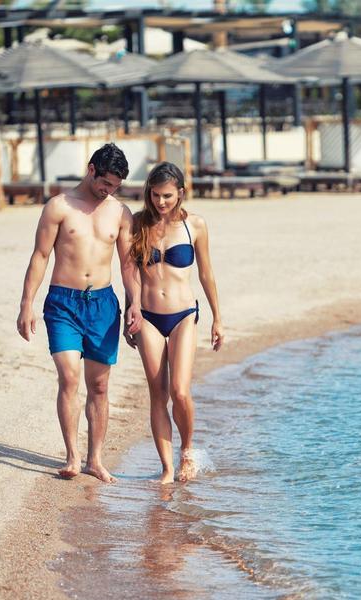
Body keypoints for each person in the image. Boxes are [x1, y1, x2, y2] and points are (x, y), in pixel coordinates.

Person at [17, 143, 142, 483]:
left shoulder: (120, 213)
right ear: (91, 169)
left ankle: (95, 459)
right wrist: (26, 304)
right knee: (70, 377)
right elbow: (40, 256)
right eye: (105, 183)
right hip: (63, 304)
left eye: (115, 186)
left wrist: (136, 304)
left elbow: (128, 263)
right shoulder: (59, 207)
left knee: (99, 385)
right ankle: (72, 456)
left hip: (103, 304)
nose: (108, 191)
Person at [124, 162, 224, 484]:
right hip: (149, 317)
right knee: (158, 394)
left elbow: (207, 273)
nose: (161, 202)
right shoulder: (138, 224)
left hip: (183, 315)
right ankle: (167, 468)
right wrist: (132, 310)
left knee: (180, 392)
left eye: (167, 196)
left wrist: (217, 319)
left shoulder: (195, 225)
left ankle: (187, 452)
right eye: (155, 195)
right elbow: (131, 276)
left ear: (181, 193)